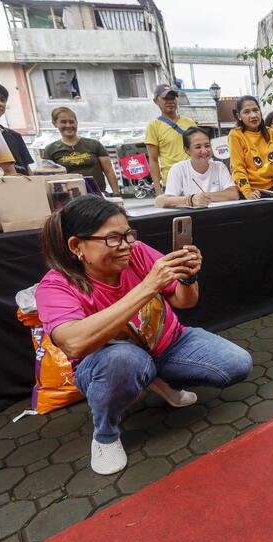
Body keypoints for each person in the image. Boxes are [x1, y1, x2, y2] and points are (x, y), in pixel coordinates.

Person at [36, 195, 252, 475]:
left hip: (169, 342)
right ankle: (105, 435)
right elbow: (74, 344)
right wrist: (150, 286)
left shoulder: (136, 251)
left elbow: (184, 302)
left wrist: (188, 277)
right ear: (78, 246)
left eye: (128, 234)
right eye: (113, 239)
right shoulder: (56, 286)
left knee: (237, 365)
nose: (126, 245)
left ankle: (157, 378)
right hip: (109, 362)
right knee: (124, 360)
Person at [44, 107, 121, 195]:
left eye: (71, 121)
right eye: (63, 122)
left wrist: (116, 194)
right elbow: (48, 178)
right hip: (69, 198)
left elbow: (109, 171)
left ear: (77, 123)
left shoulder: (94, 144)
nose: (68, 125)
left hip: (98, 194)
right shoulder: (50, 150)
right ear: (55, 124)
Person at [160, 127, 239, 208]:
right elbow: (167, 201)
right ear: (187, 150)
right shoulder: (178, 169)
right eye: (198, 147)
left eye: (207, 146)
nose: (204, 151)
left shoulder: (219, 167)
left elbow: (233, 194)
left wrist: (202, 197)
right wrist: (190, 200)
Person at [228, 96, 273, 199]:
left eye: (255, 110)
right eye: (246, 112)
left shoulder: (271, 133)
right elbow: (238, 168)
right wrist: (247, 192)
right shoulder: (236, 135)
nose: (253, 115)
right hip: (249, 193)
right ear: (239, 116)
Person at [145, 85, 197, 195]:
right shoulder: (153, 126)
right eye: (165, 98)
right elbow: (153, 160)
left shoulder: (190, 123)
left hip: (194, 177)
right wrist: (158, 189)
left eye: (173, 98)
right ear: (156, 101)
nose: (170, 102)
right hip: (171, 182)